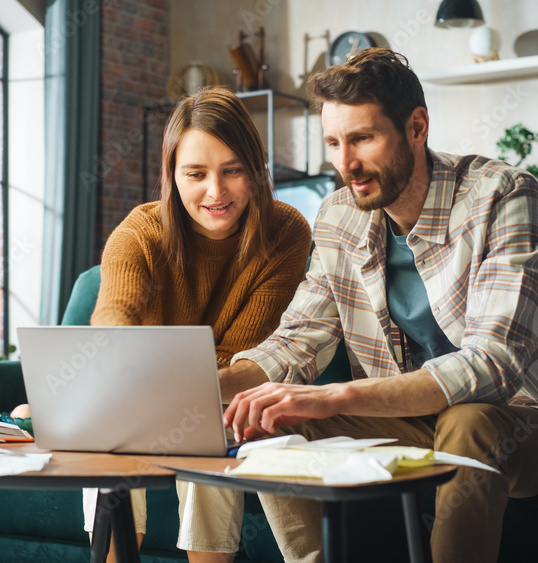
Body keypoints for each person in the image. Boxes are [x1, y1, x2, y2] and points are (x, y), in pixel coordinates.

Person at [221, 48, 538, 563]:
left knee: (469, 423)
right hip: (413, 420)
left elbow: (493, 365)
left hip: (531, 421)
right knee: (276, 420)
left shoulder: (503, 196)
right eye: (335, 143)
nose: (346, 164)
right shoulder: (339, 215)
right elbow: (299, 337)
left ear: (417, 126)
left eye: (363, 138)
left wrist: (337, 396)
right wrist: (207, 387)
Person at [74, 85, 311, 562]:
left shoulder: (285, 232)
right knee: (110, 437)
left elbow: (249, 354)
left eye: (233, 171)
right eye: (196, 174)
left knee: (211, 435)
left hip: (223, 396)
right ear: (172, 175)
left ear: (256, 170)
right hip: (140, 401)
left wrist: (167, 386)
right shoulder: (141, 231)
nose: (215, 192)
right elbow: (113, 316)